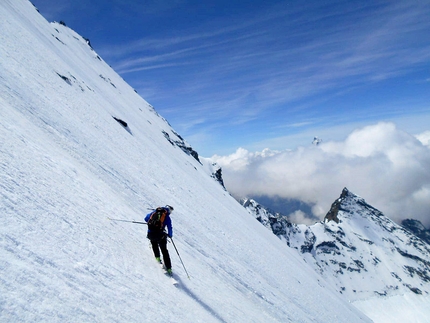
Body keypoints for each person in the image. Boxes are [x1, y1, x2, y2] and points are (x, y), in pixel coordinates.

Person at [145, 205, 174, 275]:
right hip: (160, 235)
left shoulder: (154, 212)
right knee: (164, 251)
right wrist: (170, 235)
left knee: (154, 244)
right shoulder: (167, 217)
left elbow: (146, 218)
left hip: (150, 233)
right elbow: (170, 228)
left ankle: (157, 258)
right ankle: (169, 268)